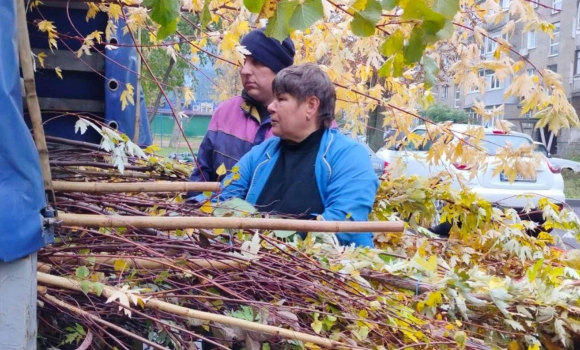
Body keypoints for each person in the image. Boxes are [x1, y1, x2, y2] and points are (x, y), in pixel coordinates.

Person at [217, 63, 379, 247]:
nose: (271, 107)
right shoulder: (262, 153)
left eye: (281, 99)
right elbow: (226, 201)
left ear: (311, 106)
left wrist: (268, 246)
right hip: (253, 265)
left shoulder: (348, 156)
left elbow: (342, 226)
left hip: (322, 270)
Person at [188, 28, 295, 191]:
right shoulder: (225, 112)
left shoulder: (307, 121)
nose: (245, 70)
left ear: (279, 70)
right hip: (216, 214)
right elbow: (201, 175)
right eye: (243, 61)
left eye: (257, 62)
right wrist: (197, 208)